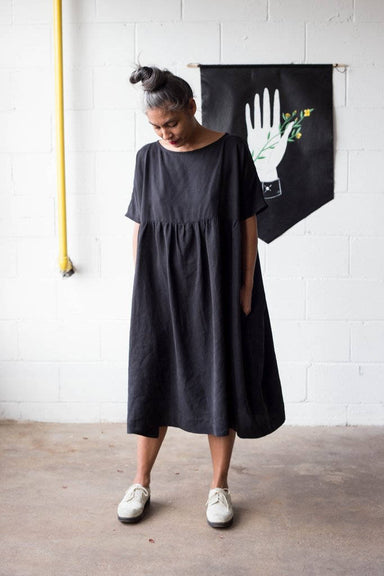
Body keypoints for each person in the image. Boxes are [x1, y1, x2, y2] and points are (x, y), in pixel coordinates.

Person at [117, 65, 285, 529]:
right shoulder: (147, 158)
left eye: (170, 122)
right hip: (159, 288)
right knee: (152, 376)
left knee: (219, 377)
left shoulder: (231, 152)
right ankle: (141, 481)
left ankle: (218, 487)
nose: (164, 133)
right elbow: (141, 224)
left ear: (191, 107)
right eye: (155, 127)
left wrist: (247, 285)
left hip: (217, 283)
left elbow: (248, 222)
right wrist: (141, 285)